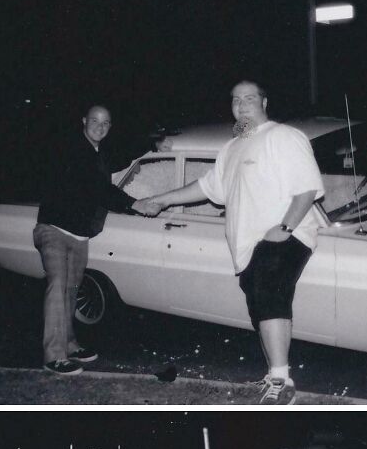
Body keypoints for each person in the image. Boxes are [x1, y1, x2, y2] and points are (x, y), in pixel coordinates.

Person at [135, 81, 324, 404]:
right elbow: (208, 188)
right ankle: (273, 374)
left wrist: (285, 227)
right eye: (236, 100)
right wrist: (161, 200)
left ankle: (281, 380)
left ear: (265, 101)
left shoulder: (283, 137)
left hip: (284, 234)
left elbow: (307, 189)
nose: (242, 105)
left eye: (250, 98)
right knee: (260, 305)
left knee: (267, 290)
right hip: (248, 244)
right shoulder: (232, 148)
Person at [34, 105, 142, 375]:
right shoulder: (73, 149)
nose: (100, 127)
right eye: (95, 121)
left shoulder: (97, 152)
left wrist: (152, 144)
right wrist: (135, 204)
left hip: (79, 234)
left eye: (106, 123)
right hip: (55, 229)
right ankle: (53, 356)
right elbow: (97, 187)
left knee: (71, 290)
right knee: (58, 289)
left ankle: (69, 345)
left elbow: (116, 159)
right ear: (83, 121)